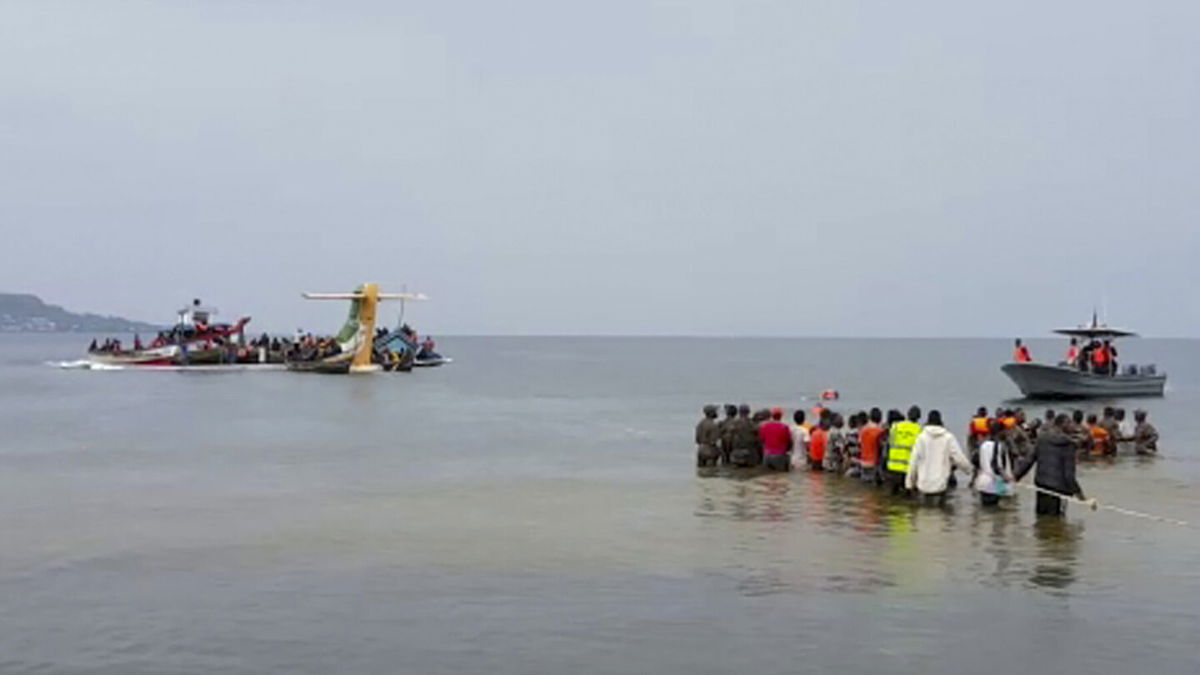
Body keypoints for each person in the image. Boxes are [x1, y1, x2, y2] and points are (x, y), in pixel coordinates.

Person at [1014, 414, 1091, 516]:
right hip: (1058, 490)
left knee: (1041, 518)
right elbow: (1069, 475)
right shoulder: (1069, 445)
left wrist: (1016, 476)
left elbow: (1029, 460)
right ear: (1063, 424)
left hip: (1041, 485)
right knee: (1057, 522)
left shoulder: (1042, 438)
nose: (1073, 426)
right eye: (1070, 423)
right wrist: (1080, 495)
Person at [905, 410, 972, 506]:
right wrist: (969, 470)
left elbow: (913, 462)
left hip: (923, 486)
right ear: (941, 422)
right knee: (940, 516)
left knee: (923, 516)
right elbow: (959, 458)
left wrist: (909, 484)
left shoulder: (921, 438)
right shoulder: (948, 438)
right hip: (940, 486)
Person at [974, 419, 1015, 507]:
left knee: (985, 512)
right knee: (996, 511)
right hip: (994, 485)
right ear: (1000, 432)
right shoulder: (1000, 446)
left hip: (982, 483)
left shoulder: (983, 445)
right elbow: (997, 467)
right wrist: (1006, 477)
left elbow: (976, 461)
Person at [884, 406, 922, 495]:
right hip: (907, 469)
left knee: (892, 496)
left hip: (892, 467)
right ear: (918, 418)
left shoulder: (895, 427)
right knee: (907, 498)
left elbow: (888, 446)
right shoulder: (919, 430)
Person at [858, 408, 885, 484]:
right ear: (880, 418)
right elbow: (882, 446)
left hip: (863, 462)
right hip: (874, 463)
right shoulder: (880, 431)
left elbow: (860, 443)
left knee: (865, 485)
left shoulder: (863, 430)